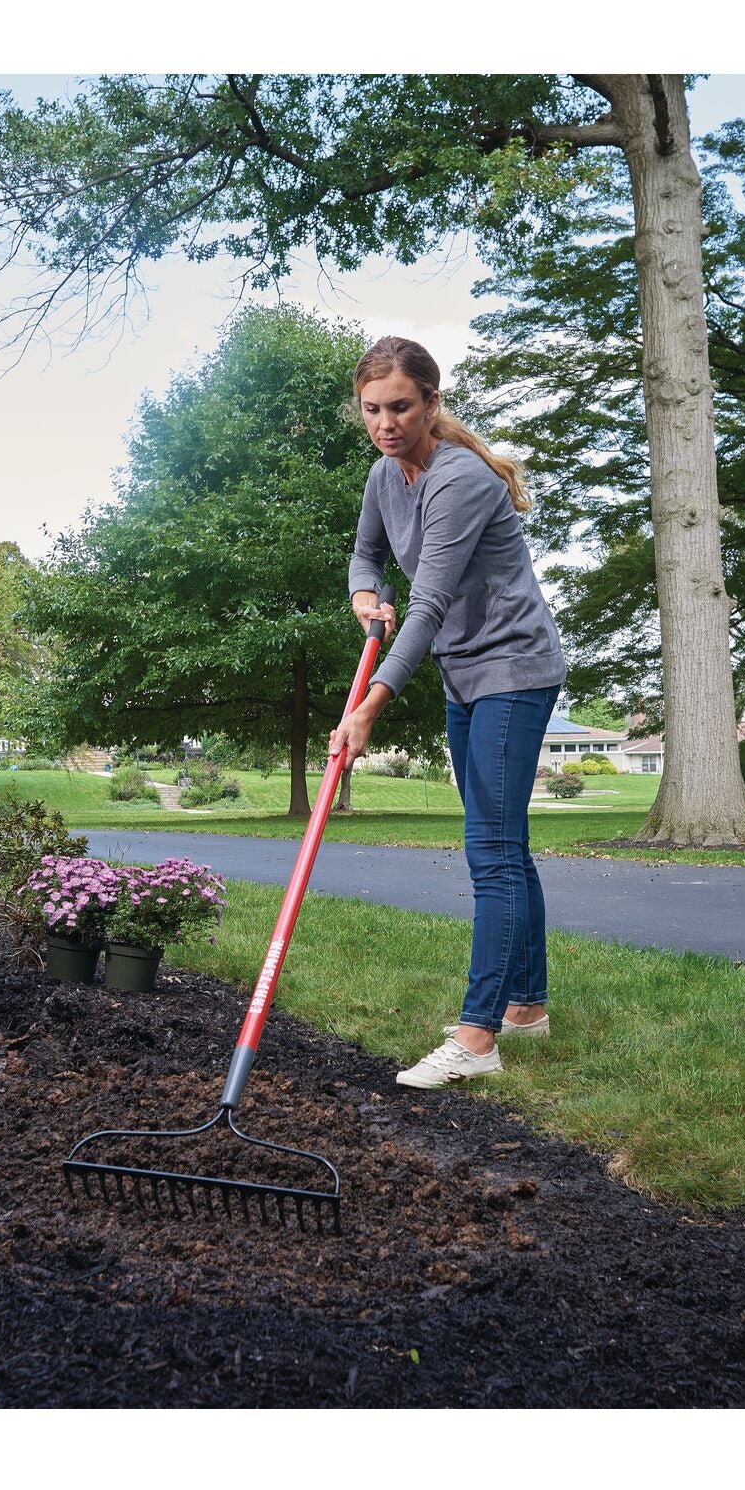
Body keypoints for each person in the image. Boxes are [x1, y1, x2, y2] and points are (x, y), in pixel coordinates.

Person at [327, 335, 568, 1090]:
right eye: (372, 410)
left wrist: (368, 708)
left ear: (431, 402)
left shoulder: (458, 478)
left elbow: (427, 603)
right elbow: (367, 557)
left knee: (491, 852)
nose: (385, 423)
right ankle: (526, 1007)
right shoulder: (383, 476)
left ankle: (477, 1036)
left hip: (513, 670)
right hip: (466, 676)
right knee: (504, 845)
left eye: (400, 406)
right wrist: (366, 594)